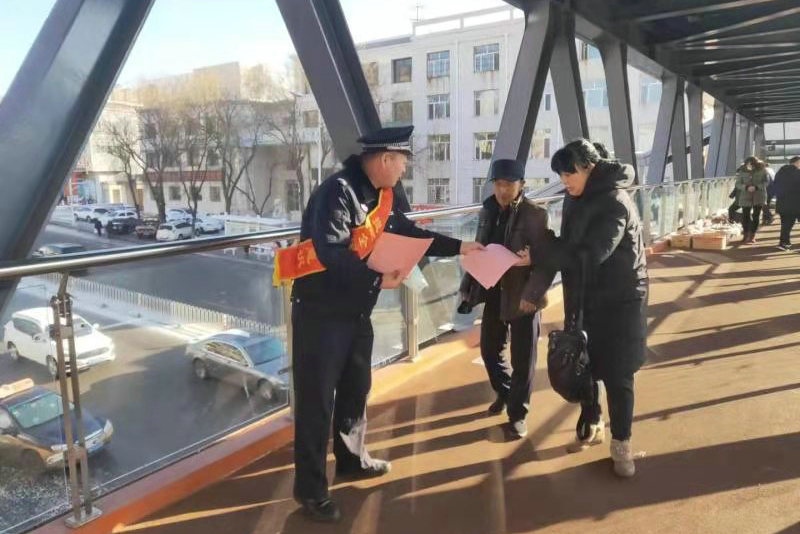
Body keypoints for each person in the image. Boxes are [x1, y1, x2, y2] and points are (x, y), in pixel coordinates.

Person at [275, 125, 483, 523]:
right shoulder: (337, 192)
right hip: (320, 315)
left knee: (356, 389)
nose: (404, 170)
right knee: (317, 403)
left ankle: (352, 460)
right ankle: (311, 491)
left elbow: (410, 233)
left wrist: (460, 247)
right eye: (403, 163)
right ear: (385, 160)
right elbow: (331, 252)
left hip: (355, 312)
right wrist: (377, 280)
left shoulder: (381, 197)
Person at [542, 139, 648, 478]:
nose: (564, 182)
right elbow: (571, 246)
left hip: (620, 300)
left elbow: (593, 253)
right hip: (585, 293)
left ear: (589, 167)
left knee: (618, 373)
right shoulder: (575, 197)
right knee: (583, 363)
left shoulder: (615, 201)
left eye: (569, 174)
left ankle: (622, 443)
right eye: (560, 176)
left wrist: (543, 251)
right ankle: (592, 419)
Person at [459, 159, 555, 439]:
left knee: (523, 358)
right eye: (498, 184)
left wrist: (533, 292)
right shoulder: (487, 210)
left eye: (509, 184)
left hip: (524, 294)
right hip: (494, 290)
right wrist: (469, 285)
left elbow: (547, 259)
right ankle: (506, 392)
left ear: (521, 185)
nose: (503, 190)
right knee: (489, 351)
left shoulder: (536, 214)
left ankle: (518, 414)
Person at [735, 156, 769, 244]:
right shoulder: (742, 170)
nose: (749, 166)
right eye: (748, 164)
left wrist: (757, 187)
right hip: (745, 196)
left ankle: (752, 235)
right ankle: (745, 235)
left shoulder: (763, 170)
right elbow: (738, 184)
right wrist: (746, 187)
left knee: (756, 216)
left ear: (756, 164)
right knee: (745, 216)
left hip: (759, 196)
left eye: (752, 164)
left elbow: (767, 182)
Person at [774, 156, 800, 251]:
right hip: (796, 203)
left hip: (782, 203)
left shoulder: (780, 172)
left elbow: (775, 186)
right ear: (797, 162)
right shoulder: (798, 173)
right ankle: (785, 243)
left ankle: (784, 243)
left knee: (785, 224)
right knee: (788, 224)